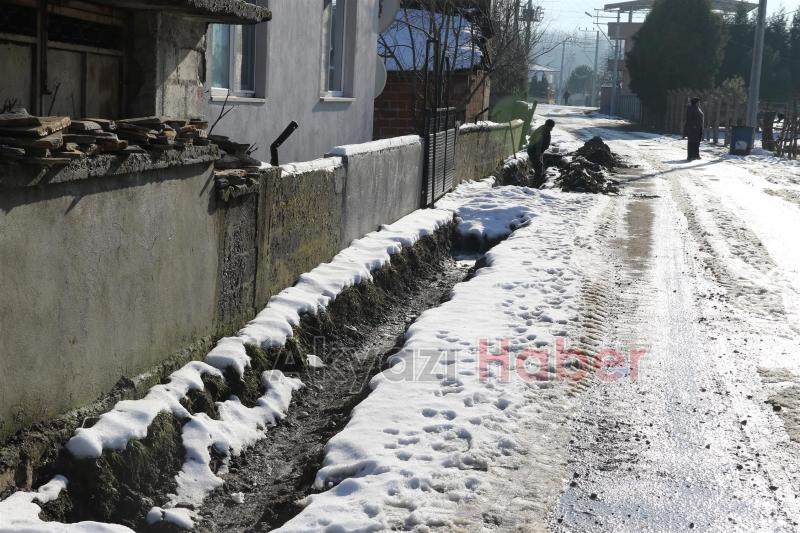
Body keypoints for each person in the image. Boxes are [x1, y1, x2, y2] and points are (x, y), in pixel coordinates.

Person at [684, 97, 704, 161]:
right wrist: (693, 126)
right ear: (695, 103)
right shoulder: (691, 108)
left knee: (697, 142)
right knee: (691, 142)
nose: (699, 103)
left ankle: (696, 155)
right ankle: (690, 156)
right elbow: (689, 119)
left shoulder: (697, 108)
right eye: (698, 102)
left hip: (698, 128)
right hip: (693, 128)